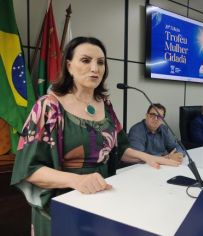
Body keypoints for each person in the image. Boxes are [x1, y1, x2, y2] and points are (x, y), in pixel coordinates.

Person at [10, 37, 180, 236]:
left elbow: (121, 148)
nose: (95, 68)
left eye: (100, 62)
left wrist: (152, 158)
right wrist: (76, 181)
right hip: (62, 206)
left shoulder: (105, 104)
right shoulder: (49, 106)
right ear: (69, 66)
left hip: (103, 200)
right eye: (85, 60)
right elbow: (29, 170)